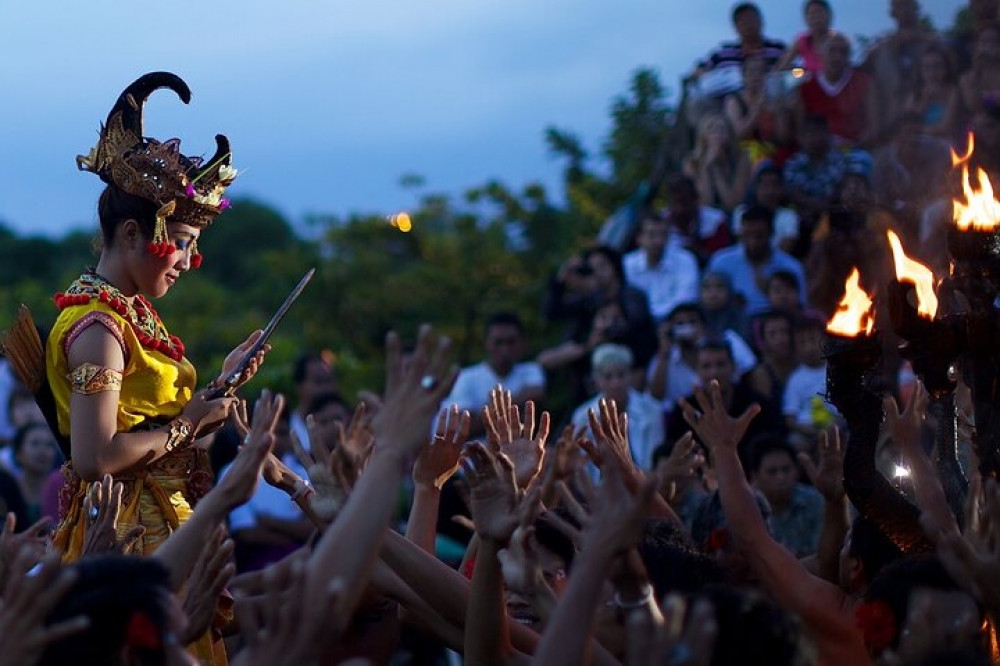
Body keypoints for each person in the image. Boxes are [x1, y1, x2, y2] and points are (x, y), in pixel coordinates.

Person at [33, 73, 269, 663]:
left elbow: (152, 417)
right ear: (134, 232)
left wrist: (220, 385)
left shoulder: (129, 316)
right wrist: (191, 424)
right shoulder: (99, 331)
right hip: (130, 535)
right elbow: (95, 458)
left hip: (162, 520)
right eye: (183, 242)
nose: (190, 261)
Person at [445, 312, 545, 436]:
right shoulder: (466, 377)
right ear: (486, 343)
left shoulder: (531, 370)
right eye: (498, 342)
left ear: (522, 343)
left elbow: (536, 394)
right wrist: (514, 408)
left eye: (511, 342)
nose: (504, 349)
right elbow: (462, 426)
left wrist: (485, 414)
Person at [648, 303, 756, 415]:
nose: (687, 328)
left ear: (703, 325)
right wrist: (664, 352)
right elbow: (656, 396)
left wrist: (701, 343)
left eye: (692, 322)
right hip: (683, 415)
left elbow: (751, 370)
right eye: (680, 324)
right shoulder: (663, 357)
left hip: (734, 407)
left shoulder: (727, 339)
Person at [571, 344, 663, 472]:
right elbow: (582, 465)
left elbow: (654, 459)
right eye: (608, 377)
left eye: (621, 375)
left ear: (630, 375)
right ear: (596, 380)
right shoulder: (582, 416)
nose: (616, 384)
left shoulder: (652, 409)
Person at [707, 205, 807, 316]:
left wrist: (769, 293)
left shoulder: (791, 267)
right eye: (747, 235)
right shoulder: (721, 262)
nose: (753, 241)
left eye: (759, 236)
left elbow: (800, 308)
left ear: (771, 233)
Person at [796, 33, 876, 147]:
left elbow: (874, 123)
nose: (837, 57)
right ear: (821, 55)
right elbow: (801, 128)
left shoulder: (863, 82)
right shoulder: (806, 87)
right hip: (818, 153)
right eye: (832, 51)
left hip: (856, 149)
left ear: (849, 57)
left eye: (843, 52)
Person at [749, 437, 824, 558]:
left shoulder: (815, 500)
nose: (781, 478)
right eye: (772, 472)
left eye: (786, 469)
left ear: (797, 471)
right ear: (755, 476)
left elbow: (825, 556)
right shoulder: (746, 508)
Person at [622, 214, 700, 321]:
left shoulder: (685, 260)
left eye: (663, 235)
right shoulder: (627, 264)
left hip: (675, 320)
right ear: (639, 238)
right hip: (638, 324)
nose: (658, 241)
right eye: (652, 235)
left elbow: (686, 299)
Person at [783, 314, 838, 453]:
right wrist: (811, 431)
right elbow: (790, 418)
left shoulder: (838, 370)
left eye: (812, 340)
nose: (809, 347)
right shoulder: (795, 379)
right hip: (806, 432)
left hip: (838, 426)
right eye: (802, 342)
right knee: (795, 443)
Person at [683, 113, 752, 214]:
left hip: (737, 214)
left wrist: (716, 168)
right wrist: (706, 167)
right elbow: (706, 202)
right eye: (712, 130)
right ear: (703, 135)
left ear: (730, 134)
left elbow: (733, 204)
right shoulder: (691, 162)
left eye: (722, 130)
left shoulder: (742, 157)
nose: (718, 135)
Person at [661, 174, 732, 267]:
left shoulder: (716, 222)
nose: (679, 209)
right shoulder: (660, 223)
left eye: (684, 202)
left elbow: (723, 260)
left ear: (695, 199)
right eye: (674, 203)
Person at [733, 162, 802, 253]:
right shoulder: (741, 212)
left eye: (774, 185)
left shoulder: (789, 216)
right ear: (756, 188)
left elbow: (785, 249)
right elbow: (741, 246)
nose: (770, 191)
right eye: (764, 185)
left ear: (782, 189)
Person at [745, 310, 798, 416]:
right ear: (764, 340)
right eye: (772, 334)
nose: (780, 339)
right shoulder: (761, 374)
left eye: (784, 331)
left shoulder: (804, 364)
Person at [12, 422, 59, 524]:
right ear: (18, 453)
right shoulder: (8, 488)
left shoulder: (62, 489)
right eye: (35, 443)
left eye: (49, 445)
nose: (43, 451)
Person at [775, 0, 837, 75]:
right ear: (806, 19)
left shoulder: (838, 41)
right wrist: (801, 73)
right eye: (812, 14)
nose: (816, 18)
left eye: (819, 13)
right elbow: (781, 69)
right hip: (810, 84)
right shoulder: (803, 41)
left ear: (829, 15)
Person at [289, 351, 334, 451]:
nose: (326, 389)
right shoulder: (283, 430)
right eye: (318, 381)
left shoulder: (342, 428)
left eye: (328, 381)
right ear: (299, 386)